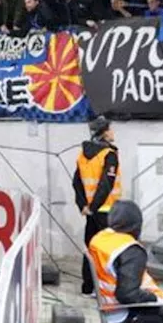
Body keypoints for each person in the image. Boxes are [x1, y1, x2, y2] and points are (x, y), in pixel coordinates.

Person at [74, 116, 121, 295]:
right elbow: (106, 185)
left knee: (90, 248)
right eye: (110, 129)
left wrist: (83, 206)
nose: (113, 132)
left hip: (91, 212)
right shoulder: (109, 154)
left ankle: (88, 287)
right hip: (106, 210)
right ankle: (103, 289)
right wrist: (93, 206)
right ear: (104, 132)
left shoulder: (83, 154)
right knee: (106, 251)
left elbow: (76, 182)